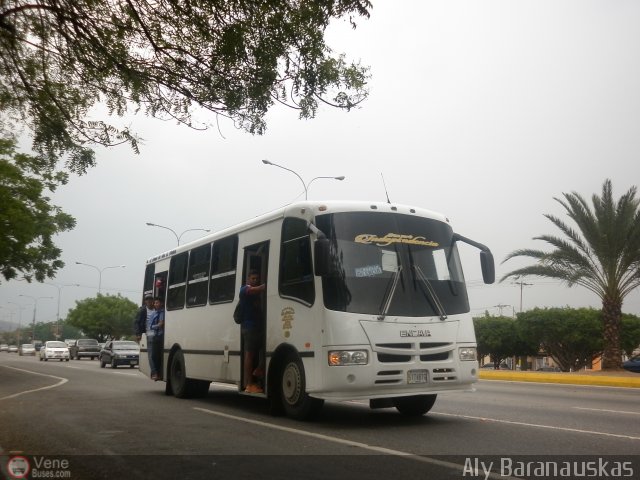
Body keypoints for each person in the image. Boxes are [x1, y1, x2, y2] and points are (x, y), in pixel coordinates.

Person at [239, 270, 266, 393]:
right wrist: (266, 286)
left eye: (257, 278)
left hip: (257, 328)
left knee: (265, 347)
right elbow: (252, 290)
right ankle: (249, 384)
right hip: (248, 327)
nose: (255, 280)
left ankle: (259, 369)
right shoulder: (245, 289)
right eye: (253, 278)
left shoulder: (256, 295)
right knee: (249, 355)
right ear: (248, 279)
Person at [147, 297, 165, 381]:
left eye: (157, 303)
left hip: (164, 337)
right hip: (156, 337)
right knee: (154, 356)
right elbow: (150, 326)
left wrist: (159, 325)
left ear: (161, 303)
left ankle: (159, 374)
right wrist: (158, 325)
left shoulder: (165, 312)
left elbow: (163, 324)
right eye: (155, 303)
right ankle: (156, 373)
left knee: (161, 356)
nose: (155, 304)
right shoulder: (154, 314)